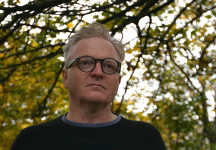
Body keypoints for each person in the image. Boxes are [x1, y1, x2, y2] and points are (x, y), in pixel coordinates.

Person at [11, 23, 166, 150]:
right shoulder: (31, 141)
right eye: (86, 63)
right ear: (65, 77)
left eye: (109, 65)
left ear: (118, 82)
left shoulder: (145, 140)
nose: (98, 72)